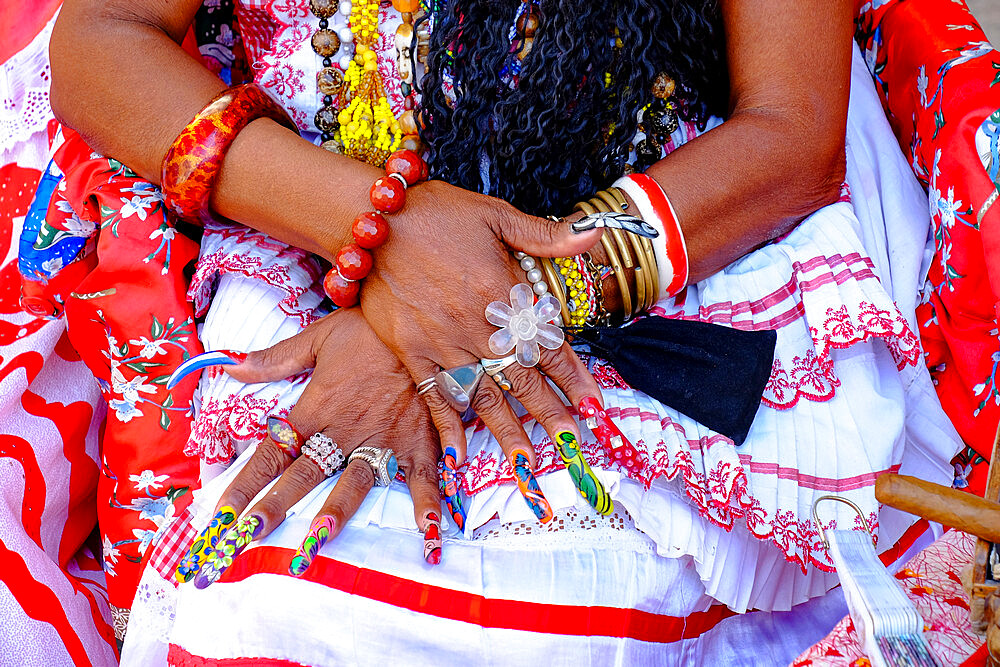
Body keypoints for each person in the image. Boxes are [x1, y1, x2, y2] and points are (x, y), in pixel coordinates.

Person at [40, 0, 962, 663]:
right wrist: (383, 236)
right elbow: (101, 37)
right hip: (317, 257)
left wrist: (484, 304)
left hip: (643, 273)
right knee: (259, 609)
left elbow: (792, 132)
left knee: (577, 625)